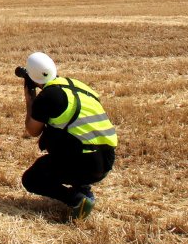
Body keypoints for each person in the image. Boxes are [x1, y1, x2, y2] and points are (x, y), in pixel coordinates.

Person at [20, 51, 117, 219]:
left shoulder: (48, 97)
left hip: (85, 163)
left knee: (31, 179)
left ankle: (77, 199)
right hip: (106, 159)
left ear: (33, 77)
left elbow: (32, 130)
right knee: (66, 132)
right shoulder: (79, 86)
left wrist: (30, 100)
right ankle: (82, 188)